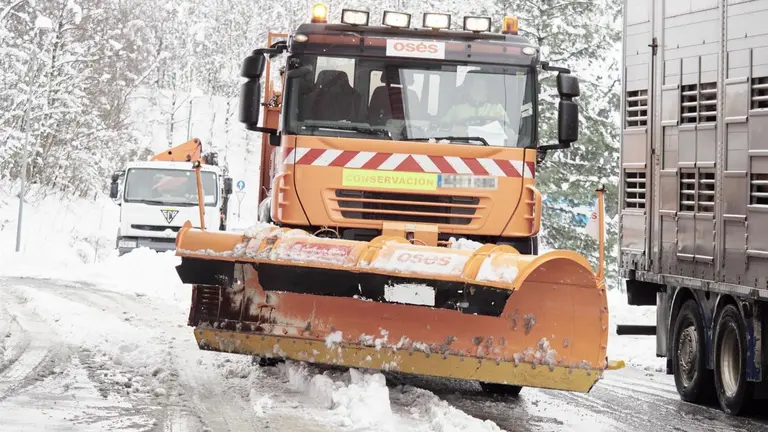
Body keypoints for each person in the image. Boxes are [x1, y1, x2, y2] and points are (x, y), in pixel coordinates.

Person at [442, 75, 508, 125]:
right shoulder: (457, 109)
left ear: (487, 90)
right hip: (461, 142)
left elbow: (508, 130)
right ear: (469, 89)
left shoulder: (497, 109)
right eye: (475, 87)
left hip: (489, 143)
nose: (478, 90)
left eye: (481, 87)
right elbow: (443, 127)